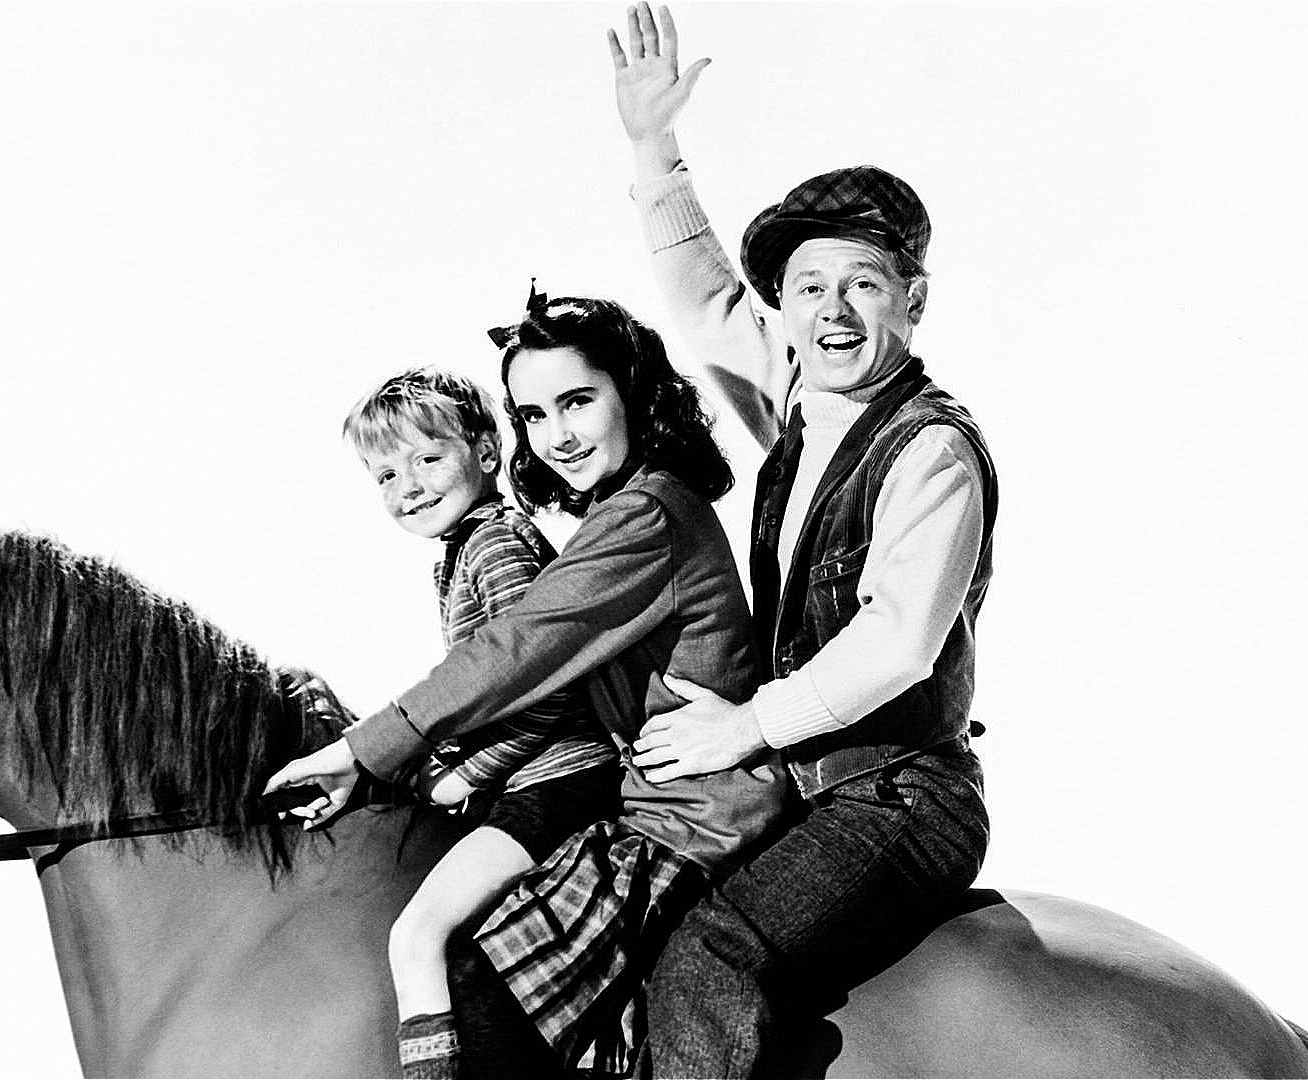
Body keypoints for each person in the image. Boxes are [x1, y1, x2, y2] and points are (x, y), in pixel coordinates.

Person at [608, 5, 999, 1076]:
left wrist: (745, 728)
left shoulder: (931, 452)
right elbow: (699, 299)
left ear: (912, 304)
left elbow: (898, 647)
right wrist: (652, 145)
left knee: (709, 958)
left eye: (864, 285)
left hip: (898, 794)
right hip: (806, 779)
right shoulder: (798, 395)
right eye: (810, 287)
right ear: (781, 308)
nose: (834, 310)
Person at [264, 291, 789, 1078]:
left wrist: (366, 753)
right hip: (654, 801)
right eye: (535, 416)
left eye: (576, 401)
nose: (557, 436)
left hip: (687, 817)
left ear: (634, 393)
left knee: (487, 988)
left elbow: (515, 654)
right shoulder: (617, 512)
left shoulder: (641, 515)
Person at [337, 367, 623, 1079]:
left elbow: (547, 685)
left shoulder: (494, 545)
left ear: (487, 453)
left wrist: (468, 772)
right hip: (537, 779)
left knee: (418, 935)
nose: (408, 486)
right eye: (384, 475)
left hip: (561, 779)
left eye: (428, 458)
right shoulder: (466, 548)